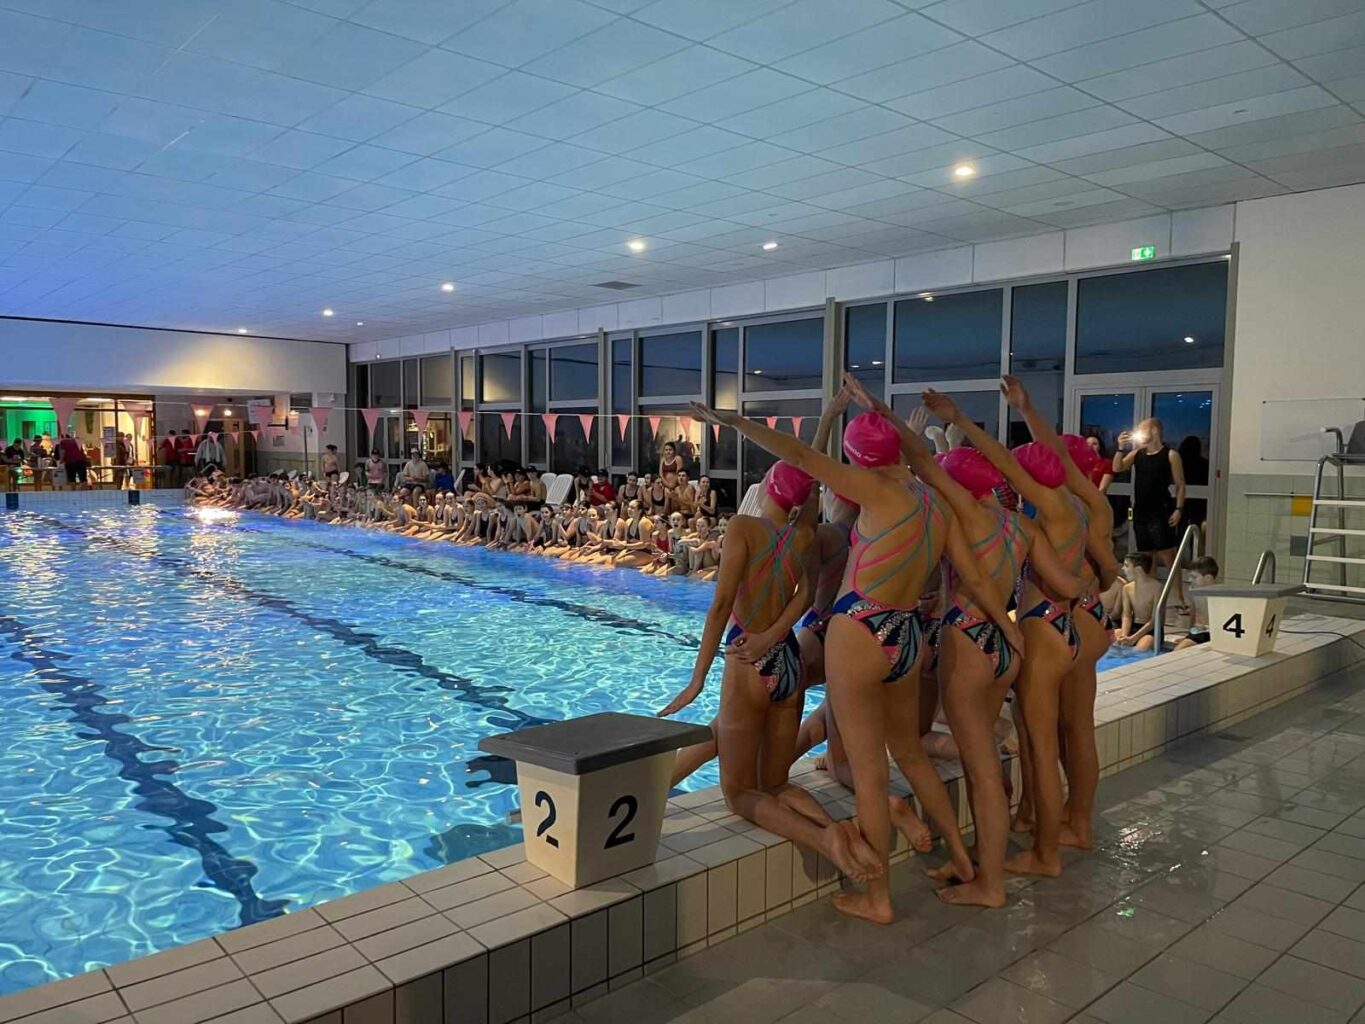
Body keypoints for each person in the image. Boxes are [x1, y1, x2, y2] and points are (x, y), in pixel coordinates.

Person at [686, 392, 1008, 922]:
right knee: (909, 752)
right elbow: (967, 573)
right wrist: (1006, 627)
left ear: (860, 461)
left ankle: (877, 897)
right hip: (908, 634)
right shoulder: (935, 500)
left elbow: (802, 458)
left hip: (861, 630)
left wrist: (737, 421)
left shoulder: (875, 491)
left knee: (868, 773)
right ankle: (959, 856)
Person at [660, 461, 884, 884]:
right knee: (777, 783)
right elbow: (804, 597)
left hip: (749, 663)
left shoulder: (743, 528)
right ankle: (842, 832)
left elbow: (721, 605)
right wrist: (773, 636)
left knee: (739, 792)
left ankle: (826, 840)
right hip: (788, 658)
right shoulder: (805, 536)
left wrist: (697, 679)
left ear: (768, 489)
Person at [1001, 377, 1121, 852]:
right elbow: (1108, 571)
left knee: (1044, 733)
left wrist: (1026, 409)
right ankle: (1075, 820)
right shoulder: (1096, 507)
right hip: (1090, 616)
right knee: (1078, 729)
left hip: (1062, 617)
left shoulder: (1056, 512)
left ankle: (1046, 823)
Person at [1114, 418, 1187, 607]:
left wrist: (1178, 509)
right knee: (1146, 559)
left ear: (1154, 430)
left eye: (1142, 429)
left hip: (1161, 510)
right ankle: (1152, 600)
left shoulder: (1170, 455)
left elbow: (1180, 484)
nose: (1138, 433)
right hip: (1141, 511)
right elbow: (1117, 468)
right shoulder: (1137, 454)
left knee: (1168, 556)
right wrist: (1120, 448)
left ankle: (1179, 598)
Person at [1117, 552, 1161, 651]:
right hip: (1133, 626)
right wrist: (1124, 635)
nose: (1123, 569)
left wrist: (1133, 638)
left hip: (1150, 630)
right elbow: (1126, 615)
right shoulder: (1127, 588)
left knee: (1140, 649)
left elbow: (1155, 620)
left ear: (1138, 569)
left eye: (1126, 566)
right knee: (1112, 637)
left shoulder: (1157, 588)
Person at [1175, 556, 1220, 650]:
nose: (1189, 580)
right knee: (1178, 650)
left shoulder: (1220, 594)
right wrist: (1189, 635)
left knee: (1177, 651)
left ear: (1208, 578)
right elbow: (1193, 615)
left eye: (1194, 577)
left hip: (1215, 634)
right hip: (1200, 632)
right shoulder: (1194, 591)